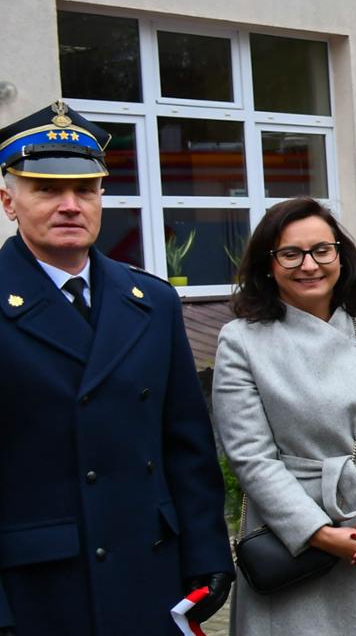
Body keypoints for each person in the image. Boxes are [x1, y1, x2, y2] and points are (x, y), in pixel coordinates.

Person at [0, 100, 233, 635]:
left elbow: (186, 446)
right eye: (47, 190)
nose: (70, 205)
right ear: (9, 202)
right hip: (37, 588)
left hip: (146, 572)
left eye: (85, 190)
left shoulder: (150, 301)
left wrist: (207, 553)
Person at [213, 198, 356, 635]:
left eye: (323, 249)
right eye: (291, 253)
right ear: (268, 263)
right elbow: (249, 456)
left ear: (341, 255)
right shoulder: (242, 341)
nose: (309, 265)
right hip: (297, 537)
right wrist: (318, 533)